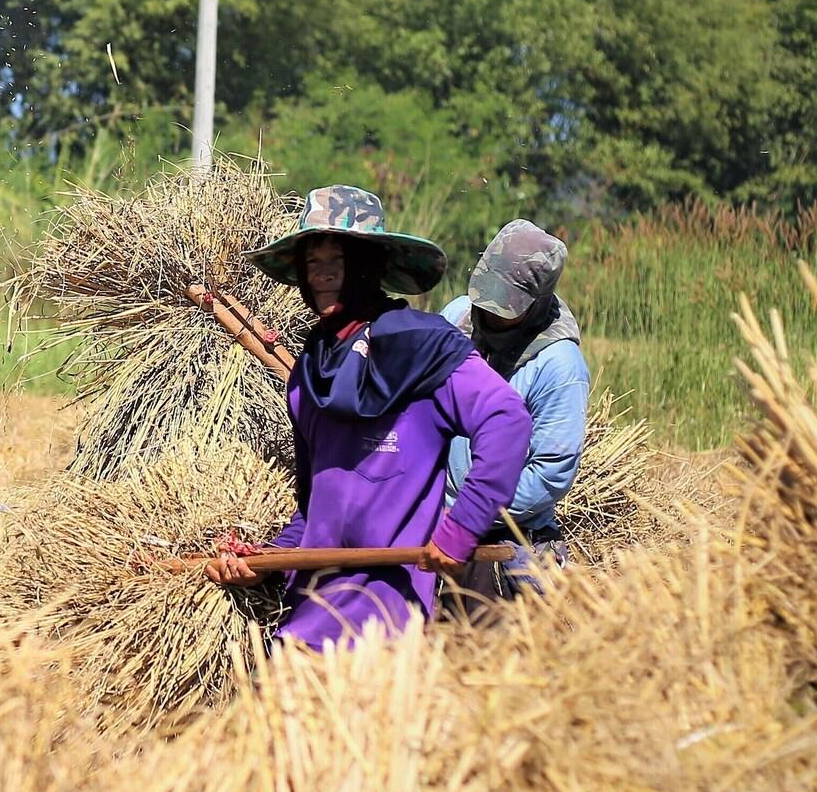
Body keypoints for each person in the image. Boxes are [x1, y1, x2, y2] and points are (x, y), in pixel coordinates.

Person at [207, 185, 533, 649]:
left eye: (338, 261)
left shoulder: (423, 348)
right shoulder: (310, 372)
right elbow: (315, 507)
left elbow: (507, 421)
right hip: (309, 620)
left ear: (369, 267)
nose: (322, 276)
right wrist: (262, 563)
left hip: (384, 628)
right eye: (312, 263)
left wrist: (461, 528)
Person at [441, 220, 590, 599]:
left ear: (536, 302)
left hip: (509, 529)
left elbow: (548, 476)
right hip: (434, 512)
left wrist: (465, 515)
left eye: (504, 304)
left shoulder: (559, 366)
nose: (489, 311)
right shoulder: (457, 318)